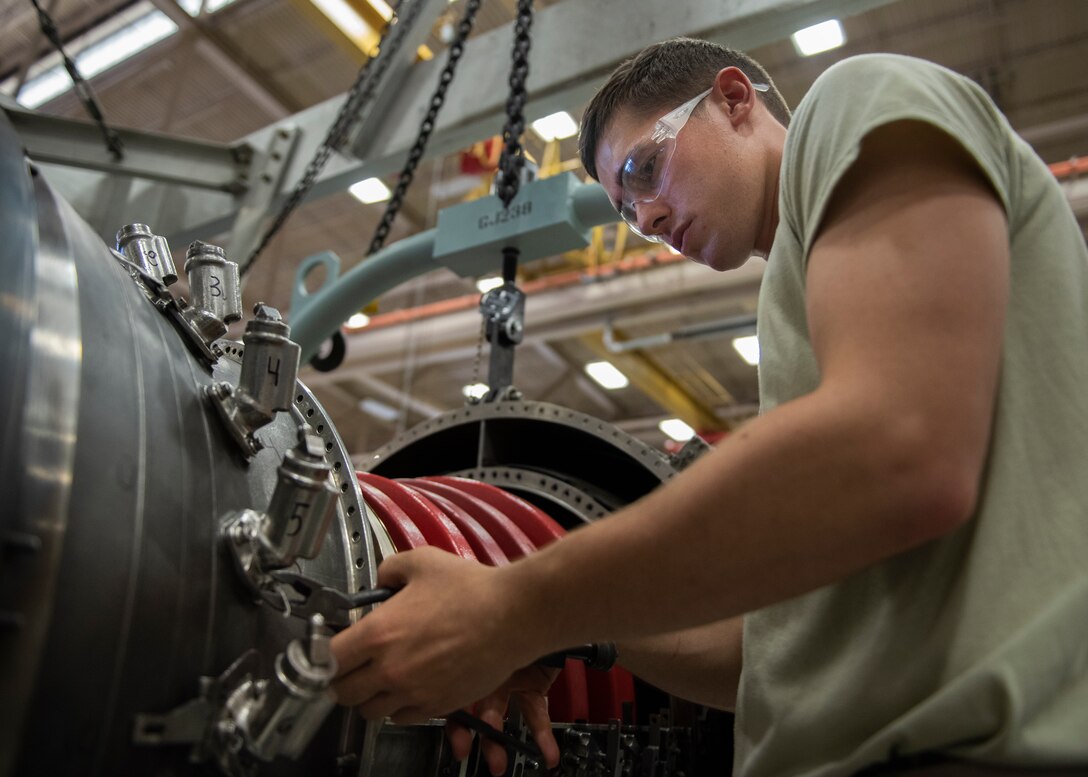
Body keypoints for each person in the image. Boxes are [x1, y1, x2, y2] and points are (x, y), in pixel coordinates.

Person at [330, 37, 1088, 776]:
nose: (649, 221)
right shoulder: (794, 298)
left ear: (733, 100)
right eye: (628, 212)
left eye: (646, 168)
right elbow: (769, 651)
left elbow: (897, 449)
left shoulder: (857, 99)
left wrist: (514, 606)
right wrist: (566, 634)